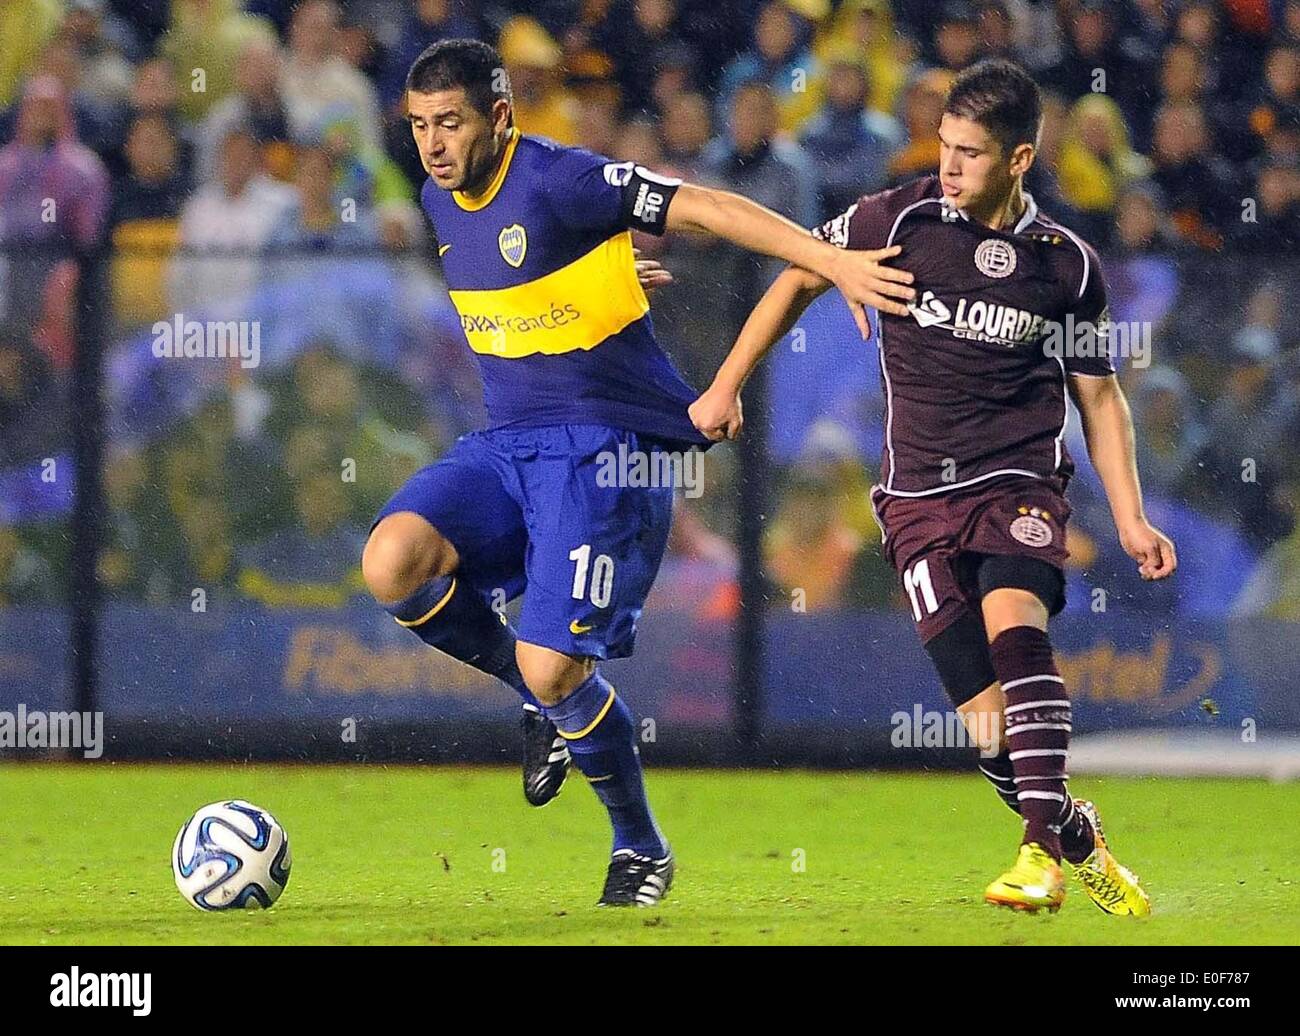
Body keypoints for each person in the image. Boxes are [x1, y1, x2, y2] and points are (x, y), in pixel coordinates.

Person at [361, 38, 911, 906]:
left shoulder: (559, 178)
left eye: (452, 123)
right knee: (392, 561)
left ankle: (640, 846)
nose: (433, 143)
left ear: (499, 117)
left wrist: (827, 256)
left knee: (557, 669)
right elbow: (530, 276)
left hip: (600, 452)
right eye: (421, 125)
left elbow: (705, 205)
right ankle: (541, 701)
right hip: (510, 445)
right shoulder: (438, 197)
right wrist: (595, 281)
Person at [690, 59, 1176, 916]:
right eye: (945, 147)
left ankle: (1037, 855)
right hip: (915, 502)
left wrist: (1130, 517)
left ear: (1020, 159)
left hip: (1018, 481)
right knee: (990, 733)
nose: (949, 167)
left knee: (1014, 623)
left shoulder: (1066, 267)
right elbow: (800, 271)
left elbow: (1098, 396)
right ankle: (1068, 825)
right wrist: (726, 384)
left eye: (971, 154)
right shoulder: (898, 217)